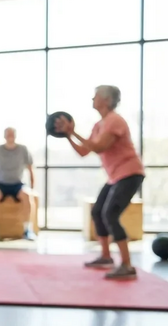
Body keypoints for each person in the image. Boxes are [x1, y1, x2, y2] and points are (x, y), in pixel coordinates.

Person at [56, 85, 145, 280]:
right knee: (97, 212)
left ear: (105, 100)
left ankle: (127, 265)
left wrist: (73, 131)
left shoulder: (115, 120)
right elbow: (83, 151)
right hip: (115, 176)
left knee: (110, 213)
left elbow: (99, 147)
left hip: (130, 173)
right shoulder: (99, 125)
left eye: (95, 96)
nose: (92, 99)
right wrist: (68, 135)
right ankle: (106, 257)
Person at [0, 127, 37, 241]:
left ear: (15, 135)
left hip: (18, 184)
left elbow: (30, 170)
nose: (10, 136)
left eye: (12, 134)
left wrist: (32, 188)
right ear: (4, 136)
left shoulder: (23, 149)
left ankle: (27, 230)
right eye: (8, 134)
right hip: (0, 184)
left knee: (27, 195)